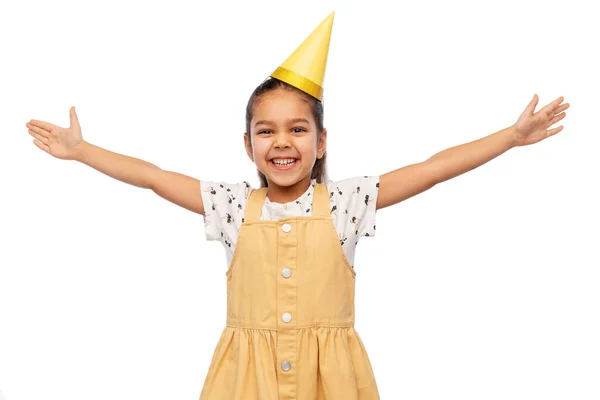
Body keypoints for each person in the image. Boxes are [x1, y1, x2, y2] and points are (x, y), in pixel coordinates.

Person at [24, 11, 569, 400]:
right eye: (267, 131)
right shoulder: (233, 206)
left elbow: (433, 168)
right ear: (248, 146)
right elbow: (153, 178)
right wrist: (82, 151)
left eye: (298, 129)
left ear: (321, 141)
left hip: (330, 382)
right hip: (246, 383)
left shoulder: (349, 203)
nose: (282, 142)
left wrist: (509, 137)